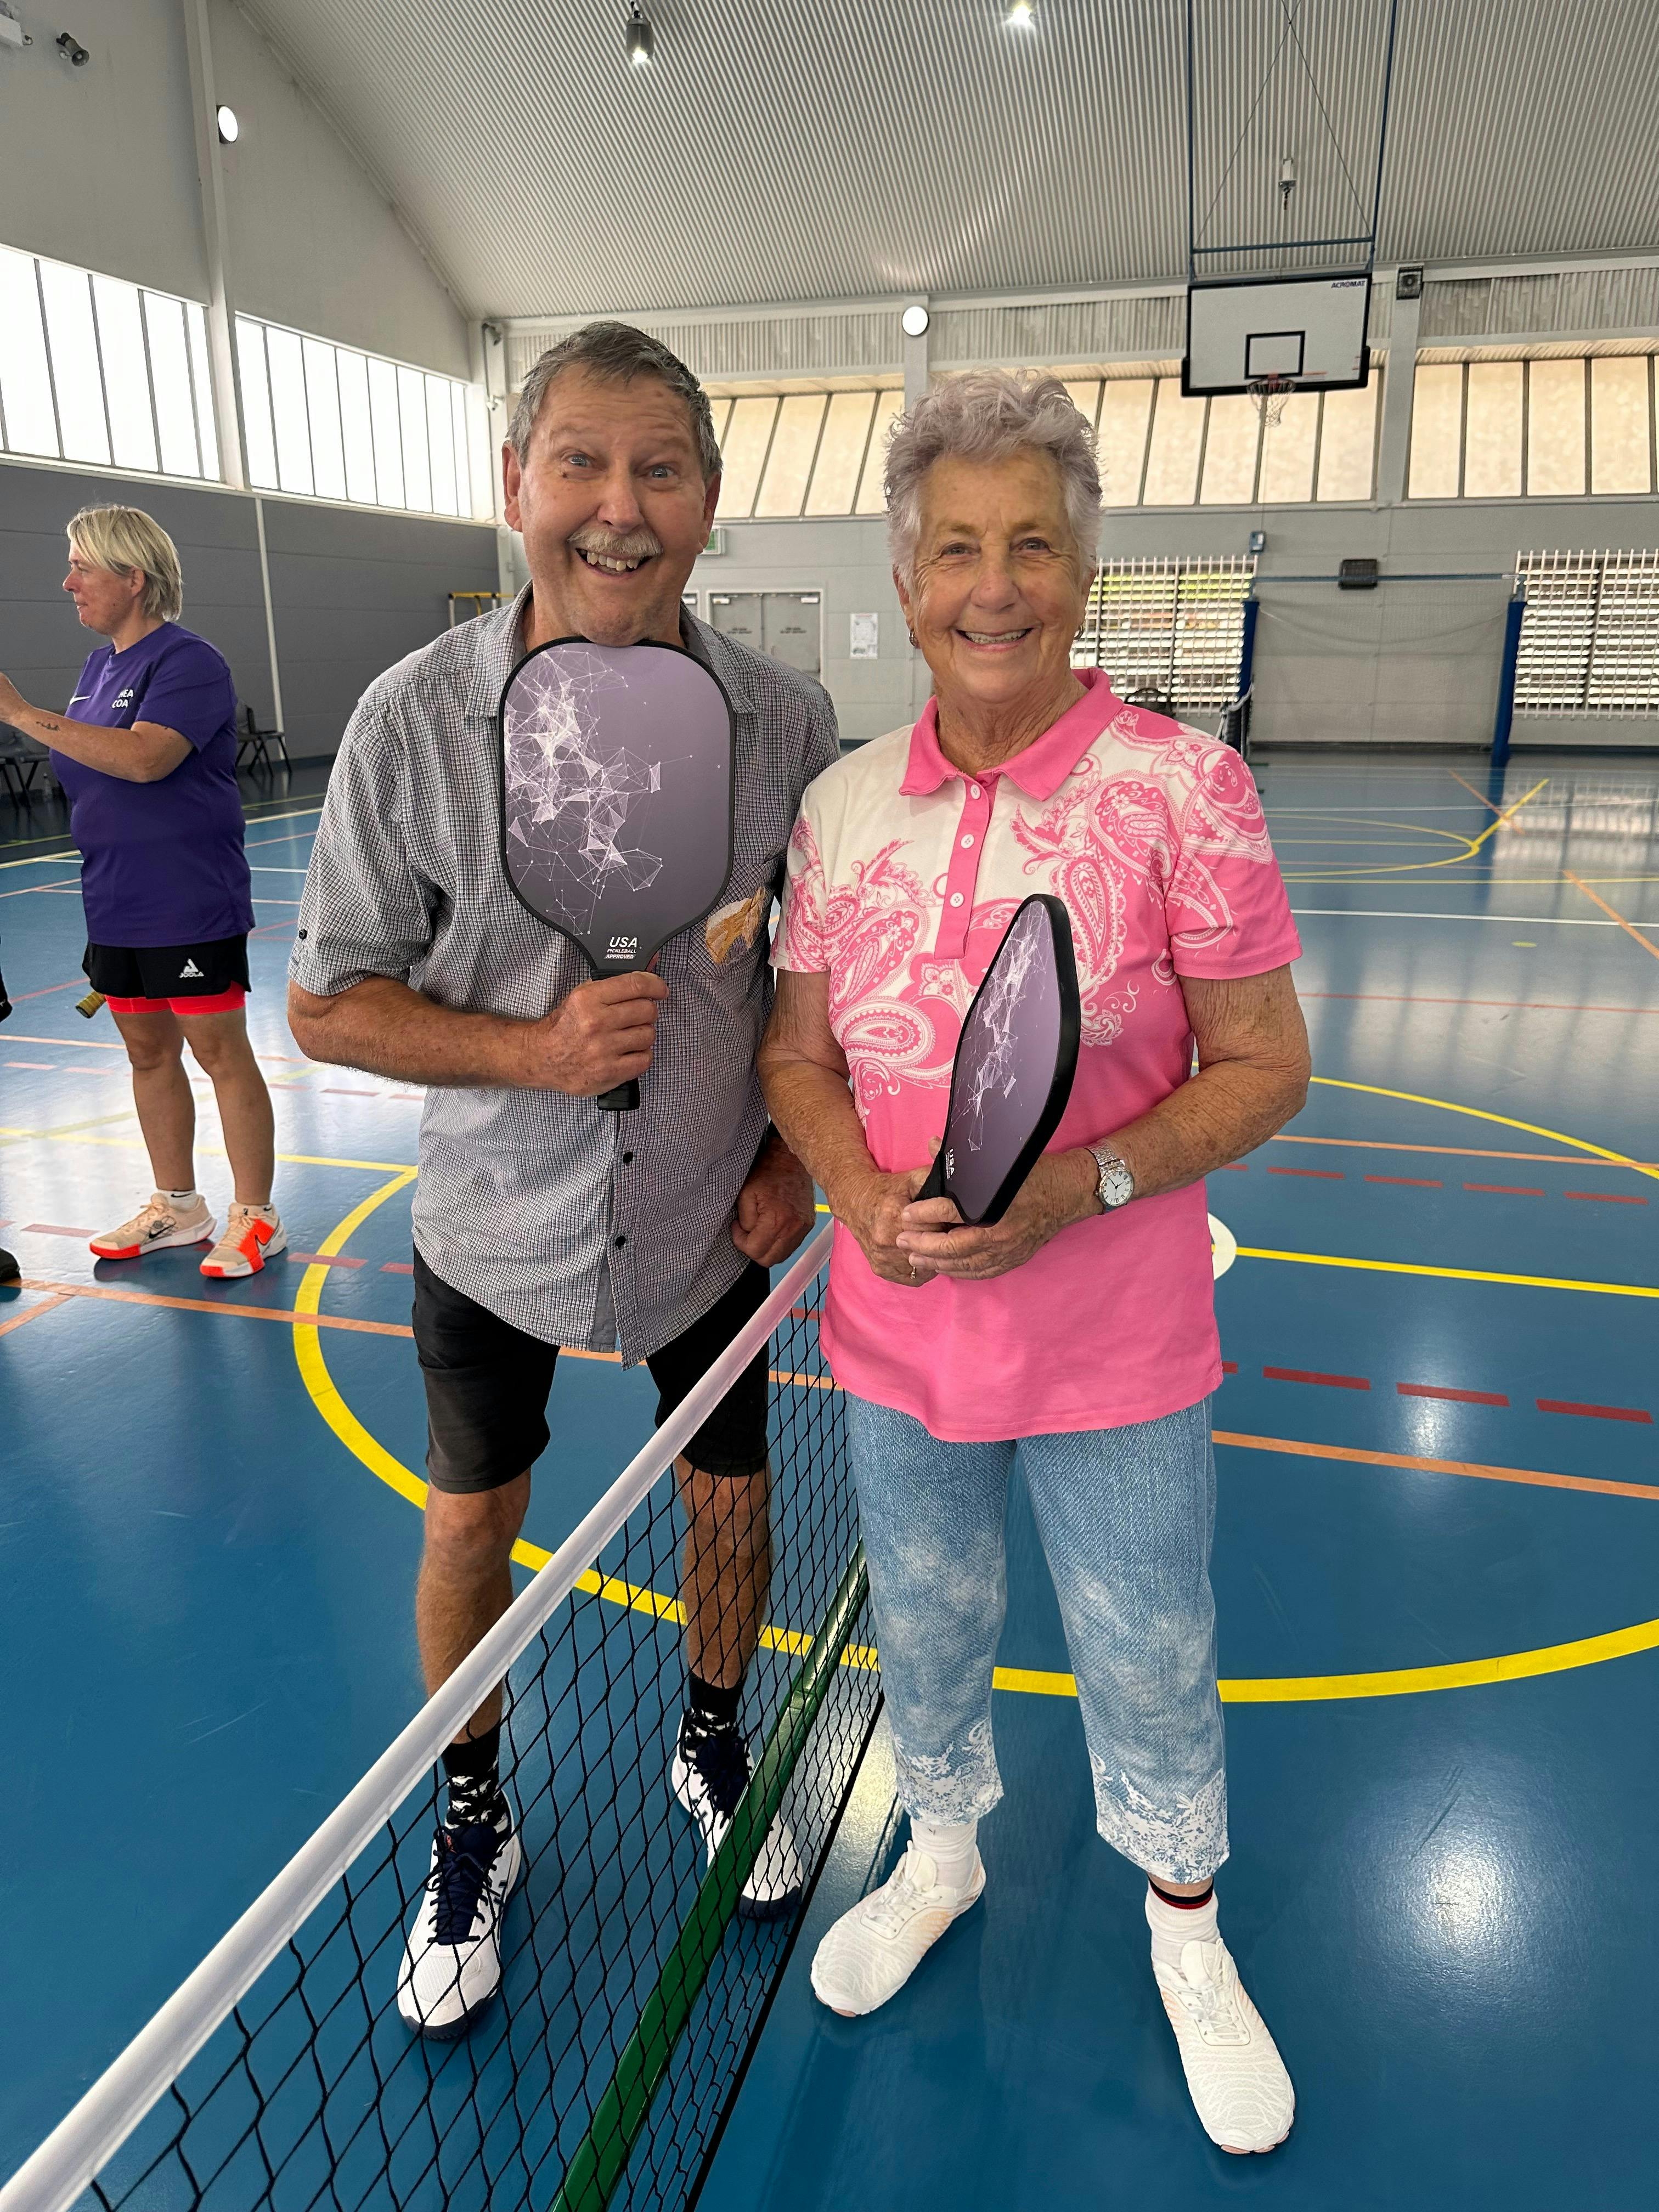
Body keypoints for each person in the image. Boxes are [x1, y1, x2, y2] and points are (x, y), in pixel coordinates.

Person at [759, 371, 1310, 2157]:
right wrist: (849, 1184)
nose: (992, 586)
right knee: (921, 1625)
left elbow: (1264, 1063)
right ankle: (939, 1848)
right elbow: (795, 1058)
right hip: (898, 1337)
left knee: (1148, 1646)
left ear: (1081, 569)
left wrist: (1086, 1186)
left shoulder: (1181, 790)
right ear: (903, 577)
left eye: (1032, 547)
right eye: (953, 550)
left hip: (1117, 1346)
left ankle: (1187, 1927)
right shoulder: (839, 811)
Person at [286, 323, 836, 2038]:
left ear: (712, 502)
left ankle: (713, 1729)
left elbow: (816, 982)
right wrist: (527, 1052)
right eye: (580, 464)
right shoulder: (413, 723)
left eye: (659, 468)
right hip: (493, 1231)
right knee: (473, 1522)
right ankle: (472, 1811)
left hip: (701, 1220)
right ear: (512, 484)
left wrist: (789, 1157)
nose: (618, 507)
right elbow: (325, 1000)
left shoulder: (788, 721)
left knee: (732, 1504)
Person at [0, 507, 285, 1279]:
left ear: (134, 578)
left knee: (218, 1051)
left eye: (82, 567)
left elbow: (146, 760)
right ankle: (177, 1204)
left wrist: (24, 715)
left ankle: (256, 1217)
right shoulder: (99, 670)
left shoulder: (190, 662)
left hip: (188, 897)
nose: (68, 584)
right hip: (114, 898)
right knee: (145, 1050)